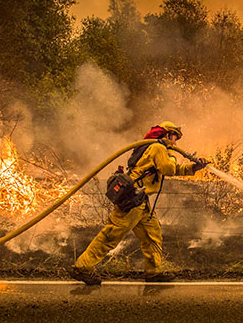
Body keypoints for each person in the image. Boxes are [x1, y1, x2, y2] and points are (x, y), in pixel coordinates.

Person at [70, 121, 207, 284]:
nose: (175, 143)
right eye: (174, 138)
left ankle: (153, 272)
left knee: (152, 235)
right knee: (111, 235)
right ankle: (82, 267)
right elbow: (168, 168)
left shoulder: (158, 150)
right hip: (132, 200)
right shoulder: (158, 148)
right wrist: (171, 152)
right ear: (166, 135)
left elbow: (172, 169)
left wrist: (194, 168)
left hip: (141, 202)